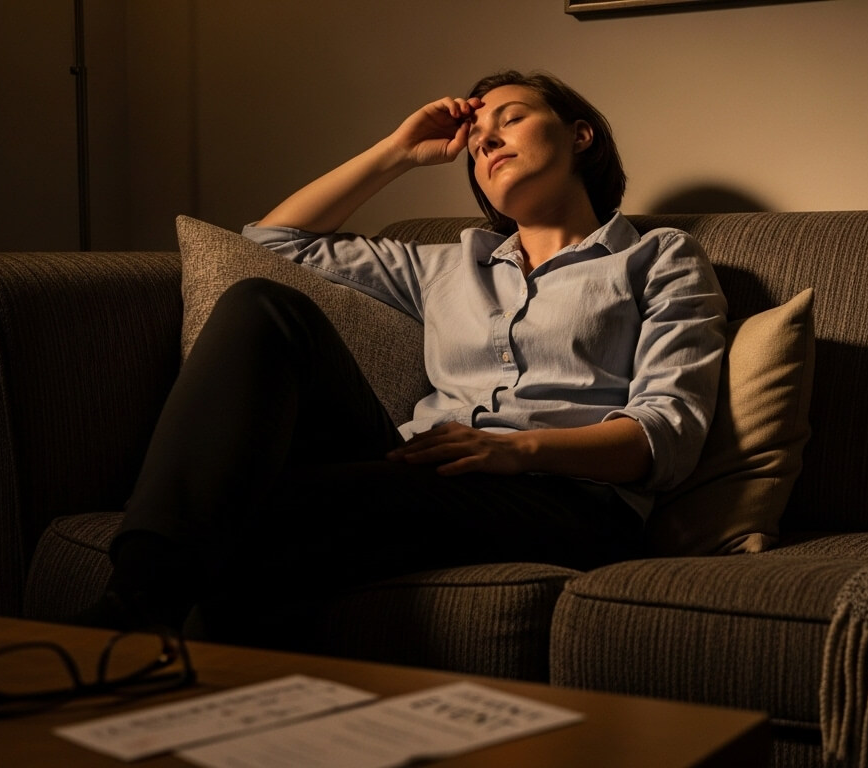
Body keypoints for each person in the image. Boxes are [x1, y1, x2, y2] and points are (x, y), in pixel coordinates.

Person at [79, 70, 728, 643]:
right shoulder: (448, 264)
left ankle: (134, 618)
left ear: (579, 135)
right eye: (476, 141)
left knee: (251, 508)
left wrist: (517, 450)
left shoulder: (657, 257)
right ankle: (138, 607)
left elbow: (666, 436)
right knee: (263, 305)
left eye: (511, 119)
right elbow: (273, 242)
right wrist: (397, 152)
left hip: (565, 498)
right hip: (423, 470)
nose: (488, 141)